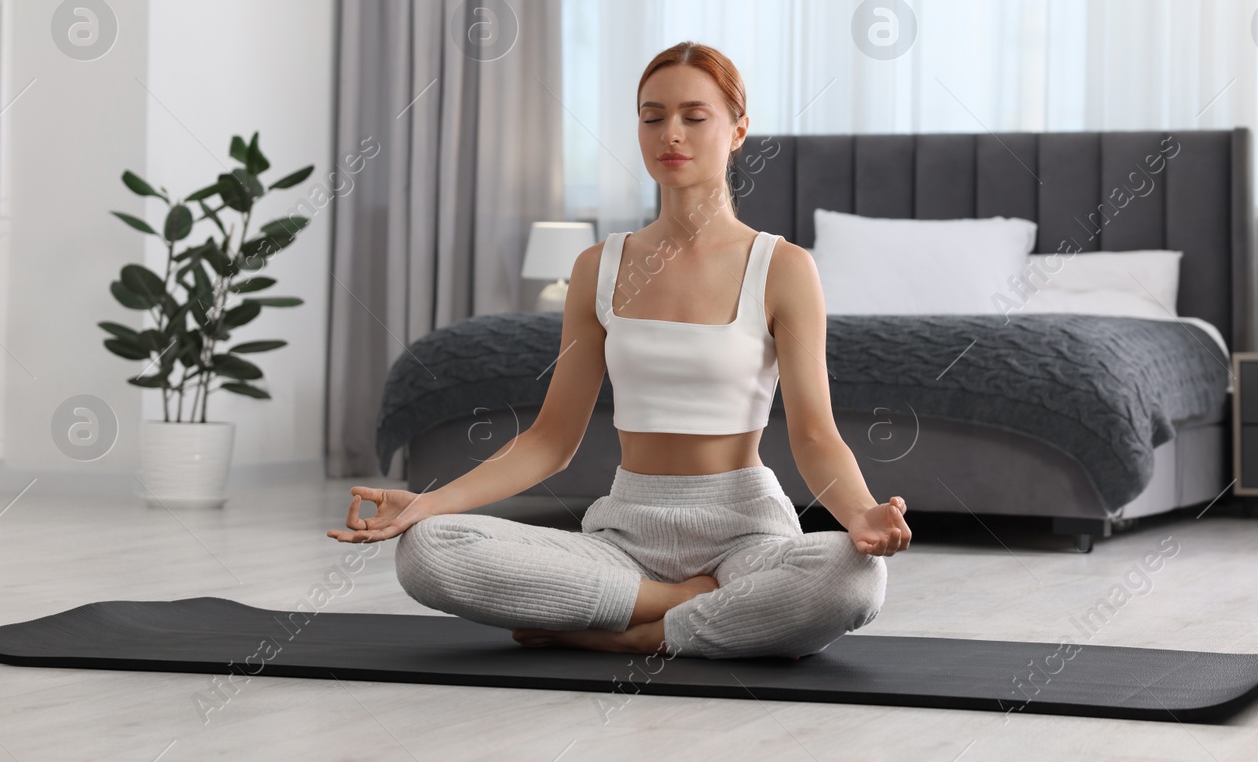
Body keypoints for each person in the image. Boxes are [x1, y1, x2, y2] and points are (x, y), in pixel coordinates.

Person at [328, 40, 911, 660]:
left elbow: (815, 436)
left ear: (739, 130)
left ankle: (634, 632)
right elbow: (550, 440)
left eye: (695, 116)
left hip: (746, 536)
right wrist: (426, 504)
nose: (671, 134)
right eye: (652, 116)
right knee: (426, 550)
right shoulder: (598, 268)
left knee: (854, 577)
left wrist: (861, 514)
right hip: (625, 536)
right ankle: (679, 602)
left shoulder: (783, 267)